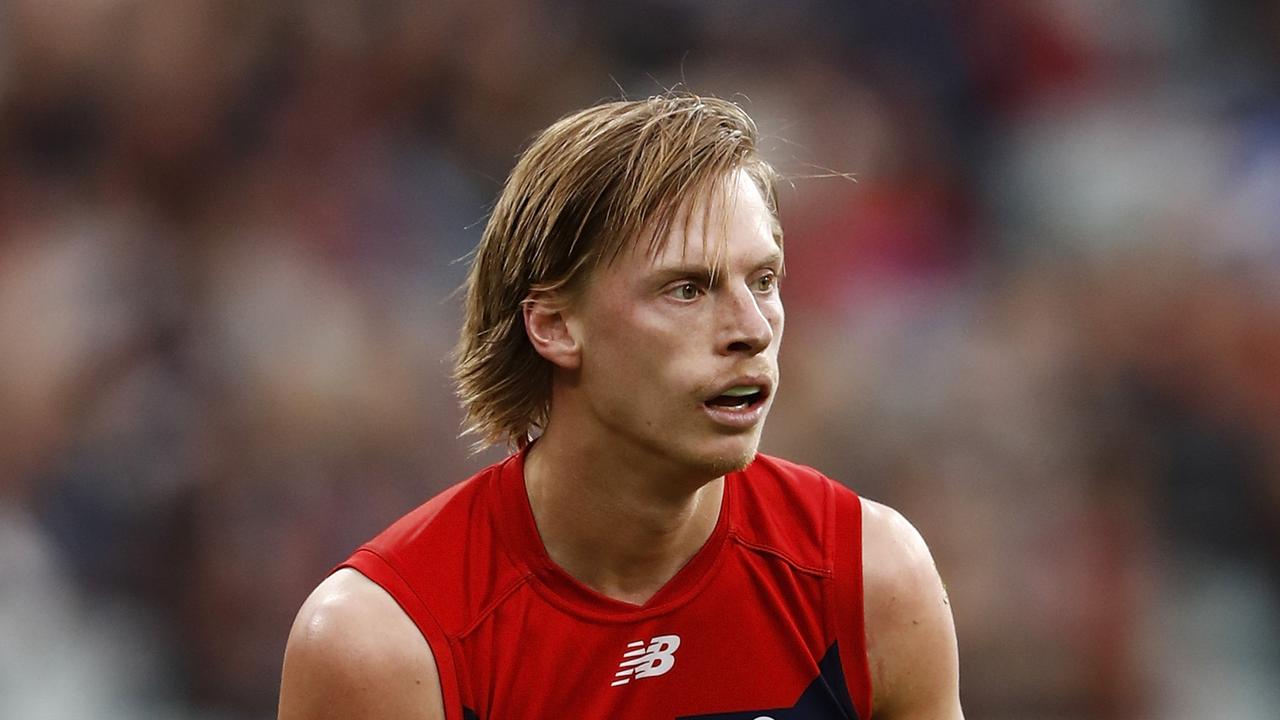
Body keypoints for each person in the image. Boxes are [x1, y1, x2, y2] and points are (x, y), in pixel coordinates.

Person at [278, 93, 962, 719]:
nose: (752, 328)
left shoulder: (870, 577)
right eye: (687, 289)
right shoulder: (384, 641)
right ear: (552, 326)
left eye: (764, 280)